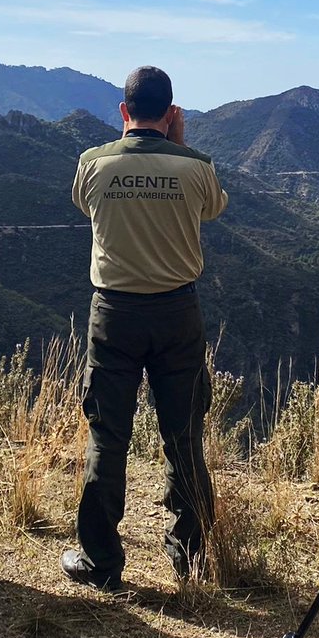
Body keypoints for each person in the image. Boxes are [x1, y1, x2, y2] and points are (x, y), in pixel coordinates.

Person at [62, 66, 229, 590]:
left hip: (114, 314)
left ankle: (102, 562)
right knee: (184, 435)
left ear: (123, 111)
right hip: (178, 313)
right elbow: (212, 209)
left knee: (108, 437)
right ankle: (190, 557)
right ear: (173, 111)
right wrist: (177, 146)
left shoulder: (93, 164)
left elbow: (84, 203)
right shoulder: (196, 166)